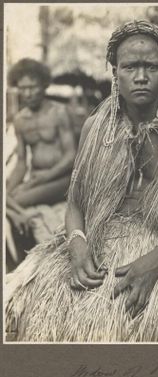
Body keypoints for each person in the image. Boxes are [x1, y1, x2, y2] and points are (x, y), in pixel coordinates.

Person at [6, 21, 158, 342]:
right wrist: (77, 244)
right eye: (130, 66)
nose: (141, 76)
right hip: (103, 238)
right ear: (115, 72)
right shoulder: (94, 128)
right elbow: (76, 202)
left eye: (152, 67)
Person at [6, 59, 76, 264]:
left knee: (16, 199)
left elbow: (71, 156)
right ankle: (17, 214)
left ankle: (15, 209)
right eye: (23, 88)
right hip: (38, 178)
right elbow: (21, 162)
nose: (27, 94)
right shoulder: (20, 120)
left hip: (62, 179)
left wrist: (42, 177)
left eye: (32, 87)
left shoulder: (59, 112)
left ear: (44, 85)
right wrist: (10, 185)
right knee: (8, 193)